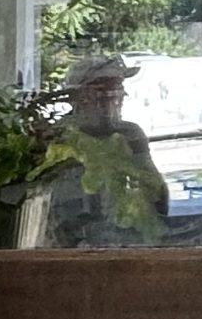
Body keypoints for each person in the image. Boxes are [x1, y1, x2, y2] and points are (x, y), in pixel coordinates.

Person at [48, 50, 171, 245]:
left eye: (118, 87)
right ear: (79, 96)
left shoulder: (130, 134)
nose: (114, 97)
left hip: (123, 241)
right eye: (103, 89)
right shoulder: (58, 137)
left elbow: (156, 190)